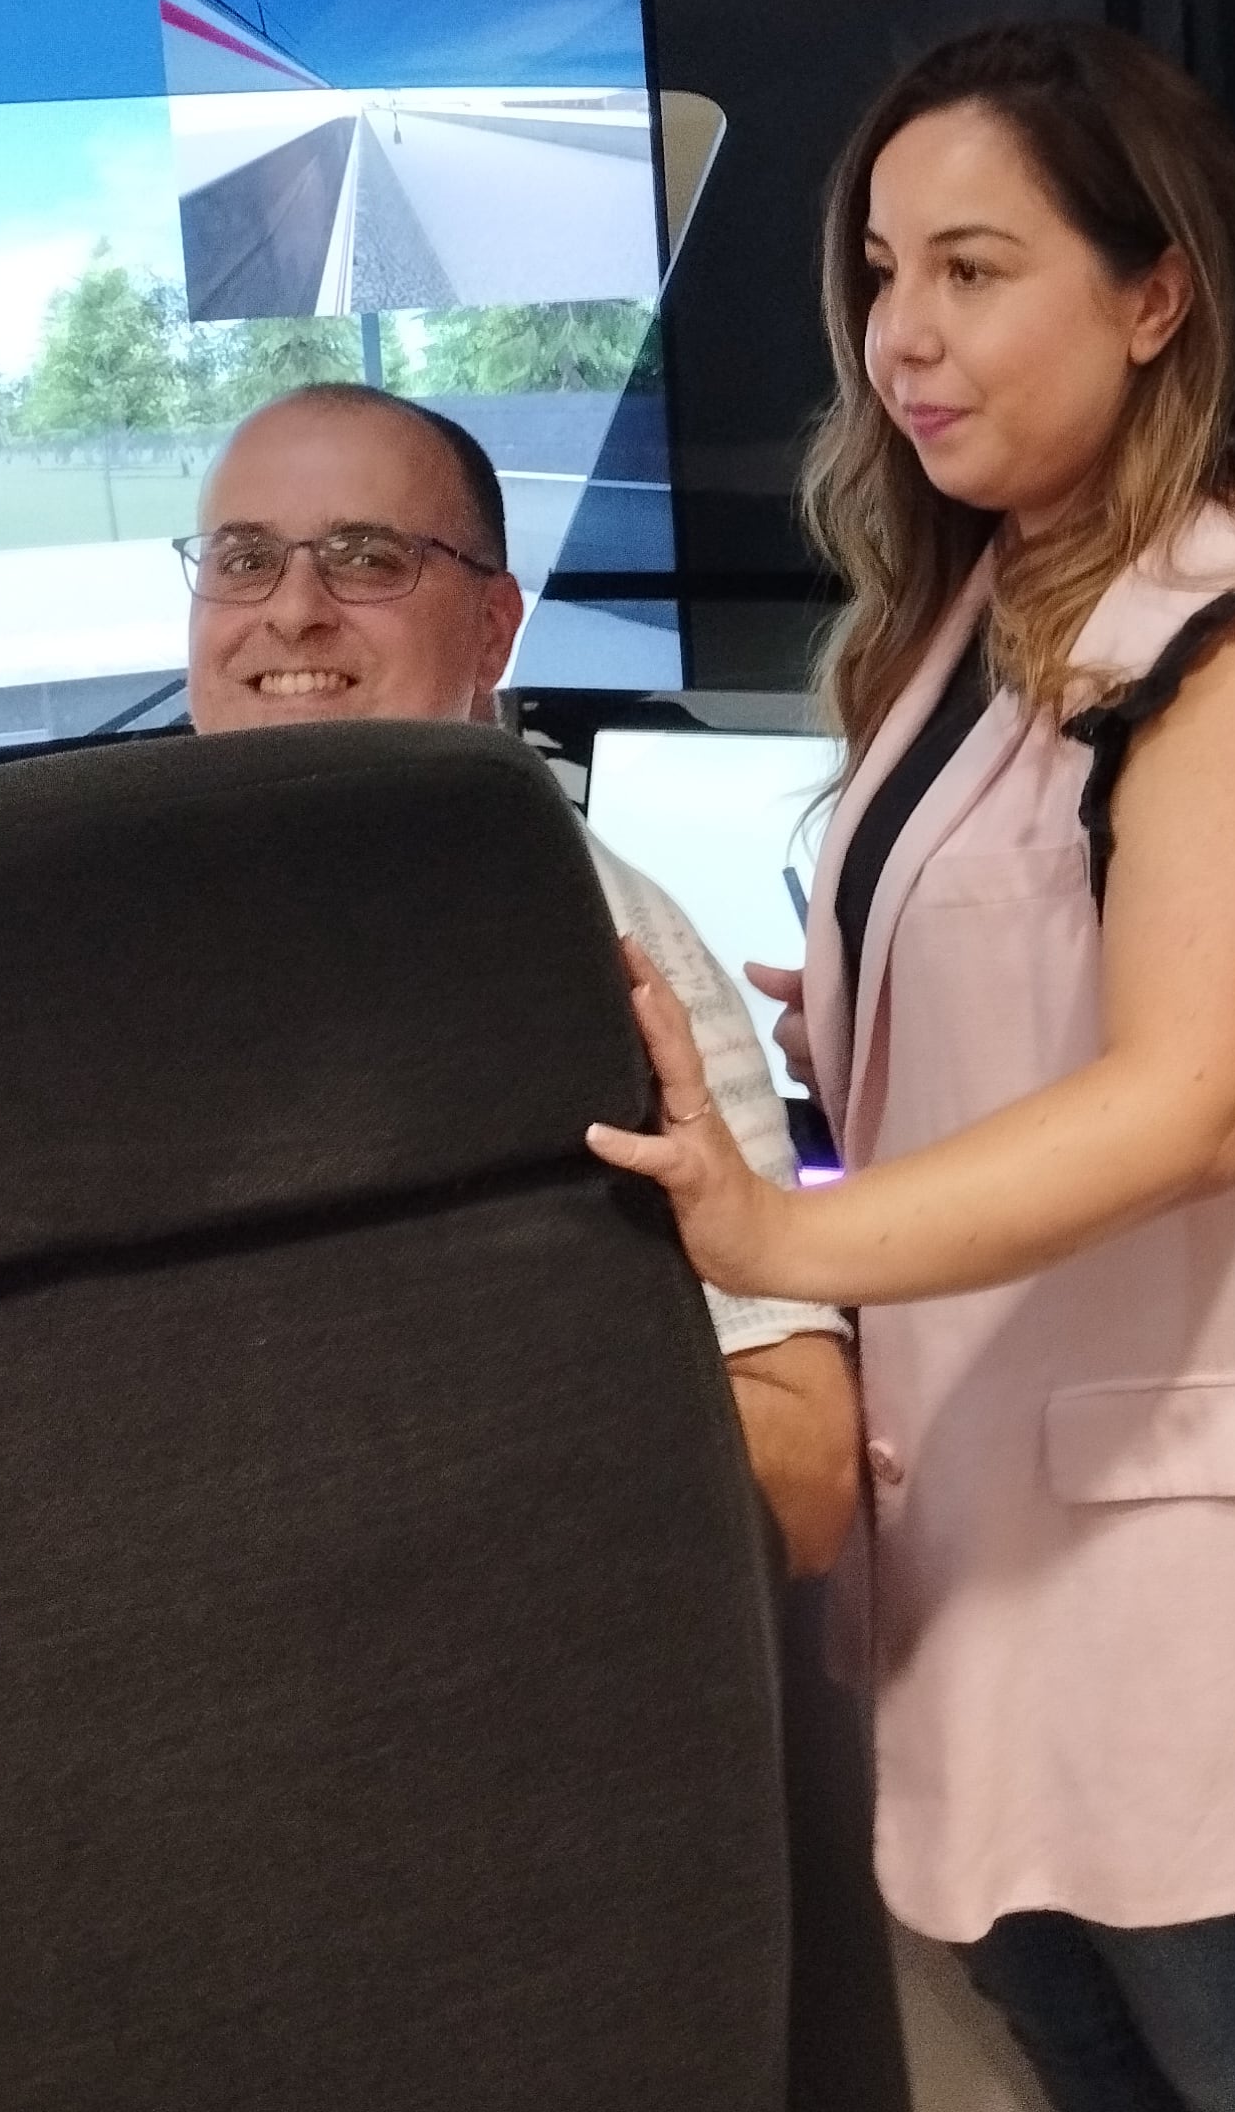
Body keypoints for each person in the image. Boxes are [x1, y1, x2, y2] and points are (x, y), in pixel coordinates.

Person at [586, 19, 1235, 2112]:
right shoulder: (988, 593)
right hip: (1017, 1525)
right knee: (1094, 2066)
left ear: (1156, 289)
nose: (900, 334)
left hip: (1202, 1562)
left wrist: (767, 1219)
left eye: (973, 269)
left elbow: (1198, 1097)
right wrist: (868, 1030)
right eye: (880, 272)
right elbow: (1066, 965)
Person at [178, 381, 858, 1578]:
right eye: (243, 558)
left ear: (495, 630)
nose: (292, 611)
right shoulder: (76, 932)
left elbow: (804, 1472)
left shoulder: (612, 953)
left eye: (365, 558)